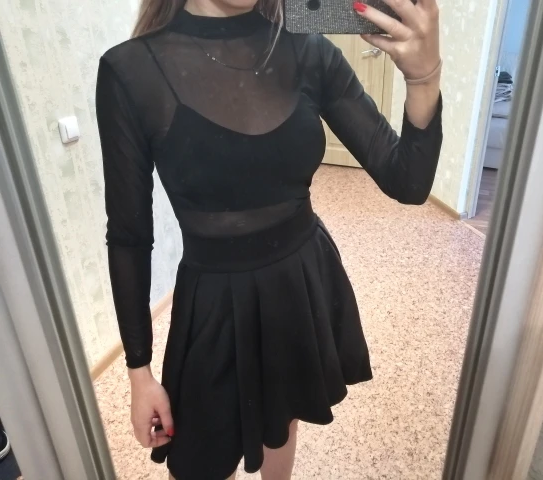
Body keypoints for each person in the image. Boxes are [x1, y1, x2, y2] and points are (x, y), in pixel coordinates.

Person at [95, 0, 442, 477]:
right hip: (213, 304)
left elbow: (408, 181)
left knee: (283, 417)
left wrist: (423, 78)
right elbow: (129, 237)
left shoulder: (309, 50)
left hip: (300, 281)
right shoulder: (130, 71)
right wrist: (139, 372)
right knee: (197, 461)